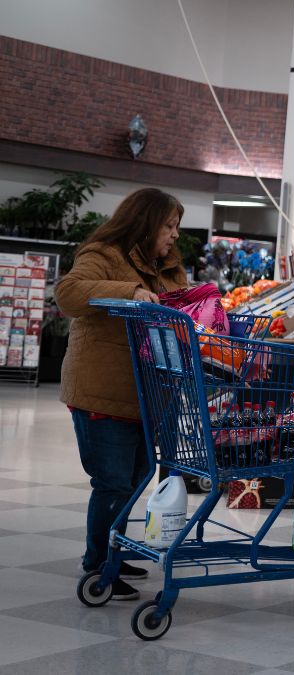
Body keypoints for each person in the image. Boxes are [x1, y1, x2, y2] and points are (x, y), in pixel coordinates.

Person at [56, 188, 187, 601]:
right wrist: (127, 292)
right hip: (103, 391)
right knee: (112, 482)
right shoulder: (103, 253)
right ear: (146, 222)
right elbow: (68, 293)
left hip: (147, 395)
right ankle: (99, 564)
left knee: (134, 479)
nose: (174, 236)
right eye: (168, 226)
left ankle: (113, 550)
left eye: (177, 227)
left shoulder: (165, 267)